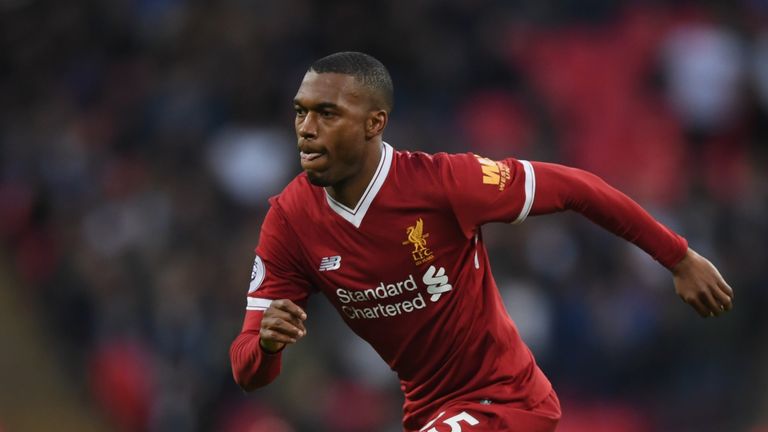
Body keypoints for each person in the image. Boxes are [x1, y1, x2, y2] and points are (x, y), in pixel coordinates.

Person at [229, 51, 734, 432]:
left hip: (508, 402)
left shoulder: (442, 183)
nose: (307, 130)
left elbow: (578, 188)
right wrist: (269, 344)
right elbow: (249, 369)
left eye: (327, 114)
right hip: (430, 413)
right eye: (300, 112)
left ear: (374, 124)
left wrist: (678, 257)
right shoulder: (290, 220)